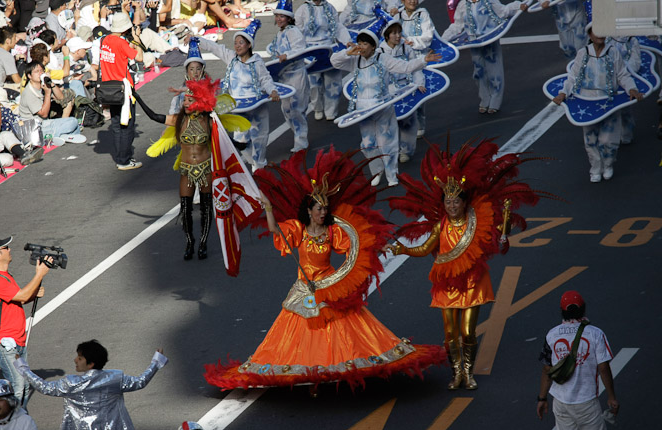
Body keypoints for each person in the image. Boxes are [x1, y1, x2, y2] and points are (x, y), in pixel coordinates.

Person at [204, 148, 446, 390]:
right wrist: (267, 207)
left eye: (325, 208)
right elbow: (276, 231)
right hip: (305, 287)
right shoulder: (298, 228)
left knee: (346, 329)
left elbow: (357, 246)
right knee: (300, 334)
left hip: (330, 284)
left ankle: (339, 364)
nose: (323, 212)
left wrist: (370, 249)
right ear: (308, 210)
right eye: (318, 208)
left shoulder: (333, 231)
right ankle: (308, 368)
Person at [386, 138, 549, 390]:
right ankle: (456, 374)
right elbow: (424, 248)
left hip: (473, 282)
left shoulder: (479, 220)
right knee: (450, 334)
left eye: (456, 202)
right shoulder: (441, 225)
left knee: (468, 333)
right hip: (446, 283)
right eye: (447, 203)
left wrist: (505, 219)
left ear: (464, 202)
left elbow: (499, 238)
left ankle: (468, 372)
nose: (451, 206)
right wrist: (402, 248)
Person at [14, 340, 168, 430]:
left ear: (91, 364)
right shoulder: (115, 379)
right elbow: (140, 381)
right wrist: (155, 362)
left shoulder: (71, 383)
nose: (75, 360)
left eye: (80, 358)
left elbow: (44, 387)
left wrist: (23, 368)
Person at [330, 18, 439, 186]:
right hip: (363, 110)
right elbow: (334, 62)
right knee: (367, 145)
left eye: (365, 43)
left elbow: (406, 67)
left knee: (387, 142)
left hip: (382, 107)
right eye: (359, 43)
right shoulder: (355, 60)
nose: (361, 46)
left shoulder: (383, 59)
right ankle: (376, 171)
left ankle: (391, 175)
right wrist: (347, 53)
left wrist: (424, 60)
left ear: (373, 46)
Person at [536, 291, 618, 430]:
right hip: (586, 401)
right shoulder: (595, 334)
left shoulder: (552, 334)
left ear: (561, 311)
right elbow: (604, 368)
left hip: (560, 401)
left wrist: (542, 398)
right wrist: (612, 396)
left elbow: (547, 370)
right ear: (583, 309)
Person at [135, 77, 218, 261]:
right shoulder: (178, 120)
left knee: (206, 207)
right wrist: (137, 97)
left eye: (190, 100)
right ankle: (190, 241)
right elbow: (154, 116)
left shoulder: (209, 120)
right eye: (184, 100)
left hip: (205, 169)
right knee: (186, 208)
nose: (186, 103)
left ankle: (203, 243)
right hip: (187, 170)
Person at [552, 24, 643, 182]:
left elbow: (622, 74)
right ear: (590, 35)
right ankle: (595, 167)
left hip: (608, 101)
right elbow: (573, 76)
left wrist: (631, 89)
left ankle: (608, 164)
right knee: (590, 138)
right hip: (588, 101)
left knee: (608, 139)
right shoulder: (583, 53)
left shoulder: (613, 52)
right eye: (595, 32)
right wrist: (563, 93)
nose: (599, 35)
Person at [192, 19, 281, 171]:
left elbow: (265, 79)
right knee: (240, 141)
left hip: (257, 106)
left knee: (260, 138)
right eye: (236, 43)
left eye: (241, 43)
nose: (238, 46)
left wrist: (272, 91)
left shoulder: (257, 61)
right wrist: (197, 40)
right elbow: (216, 48)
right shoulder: (231, 58)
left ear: (249, 45)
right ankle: (254, 162)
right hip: (238, 108)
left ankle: (259, 167)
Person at [0, 236, 50, 409]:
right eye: (5, 248)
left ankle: (21, 421)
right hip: (5, 342)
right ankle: (11, 425)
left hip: (17, 340)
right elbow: (22, 296)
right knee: (17, 385)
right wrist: (39, 274)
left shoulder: (4, 276)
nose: (9, 250)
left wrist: (33, 294)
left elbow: (17, 299)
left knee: (24, 385)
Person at [442, 0, 529, 114]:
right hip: (474, 42)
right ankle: (485, 98)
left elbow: (503, 11)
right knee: (479, 72)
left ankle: (495, 100)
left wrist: (518, 6)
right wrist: (443, 40)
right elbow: (457, 25)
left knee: (494, 70)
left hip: (490, 38)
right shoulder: (463, 4)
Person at [295, 0, 353, 122]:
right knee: (313, 83)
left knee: (333, 81)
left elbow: (338, 26)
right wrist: (299, 50)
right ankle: (317, 108)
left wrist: (346, 40)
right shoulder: (302, 10)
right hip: (311, 50)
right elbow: (298, 32)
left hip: (329, 48)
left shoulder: (330, 8)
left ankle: (331, 110)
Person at [100, 12, 144, 170]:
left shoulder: (104, 40)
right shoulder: (121, 43)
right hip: (123, 89)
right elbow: (139, 57)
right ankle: (124, 160)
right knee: (127, 126)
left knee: (117, 124)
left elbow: (119, 53)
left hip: (108, 88)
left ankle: (120, 157)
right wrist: (137, 39)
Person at [378, 19, 425, 164]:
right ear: (386, 36)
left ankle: (405, 150)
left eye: (399, 32)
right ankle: (391, 151)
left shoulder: (406, 48)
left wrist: (418, 84)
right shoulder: (380, 52)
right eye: (394, 33)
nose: (398, 36)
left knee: (408, 121)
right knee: (389, 123)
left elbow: (415, 67)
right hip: (389, 92)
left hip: (407, 87)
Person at [267, 0, 310, 153]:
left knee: (297, 108)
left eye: (282, 16)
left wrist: (288, 55)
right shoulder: (280, 33)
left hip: (297, 75)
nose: (279, 19)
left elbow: (300, 49)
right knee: (286, 109)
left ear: (289, 18)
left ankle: (301, 140)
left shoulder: (293, 31)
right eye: (277, 16)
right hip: (284, 76)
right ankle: (298, 134)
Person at [392, 0, 435, 138]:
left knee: (419, 89)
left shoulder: (423, 14)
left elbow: (427, 37)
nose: (412, 1)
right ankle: (405, 123)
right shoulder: (396, 15)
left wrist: (411, 41)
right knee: (400, 89)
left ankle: (420, 122)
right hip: (401, 59)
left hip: (419, 58)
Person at [18, 61, 87, 144]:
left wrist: (51, 83)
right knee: (73, 122)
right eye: (36, 71)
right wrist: (47, 93)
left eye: (41, 71)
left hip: (45, 122)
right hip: (34, 128)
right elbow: (43, 114)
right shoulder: (29, 93)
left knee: (75, 124)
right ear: (29, 76)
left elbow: (61, 97)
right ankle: (47, 138)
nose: (40, 73)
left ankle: (61, 135)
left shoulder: (43, 84)